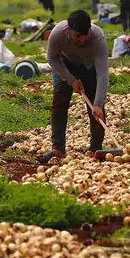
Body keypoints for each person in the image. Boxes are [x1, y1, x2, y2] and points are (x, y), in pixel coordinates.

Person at [41, 10, 109, 163]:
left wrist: (98, 103)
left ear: (90, 29)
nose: (83, 40)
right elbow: (52, 58)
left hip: (90, 68)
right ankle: (57, 148)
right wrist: (71, 80)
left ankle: (96, 148)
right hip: (65, 65)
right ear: (69, 30)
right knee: (59, 101)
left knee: (96, 108)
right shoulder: (58, 33)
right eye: (78, 36)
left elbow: (103, 74)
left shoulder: (98, 38)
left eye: (85, 35)